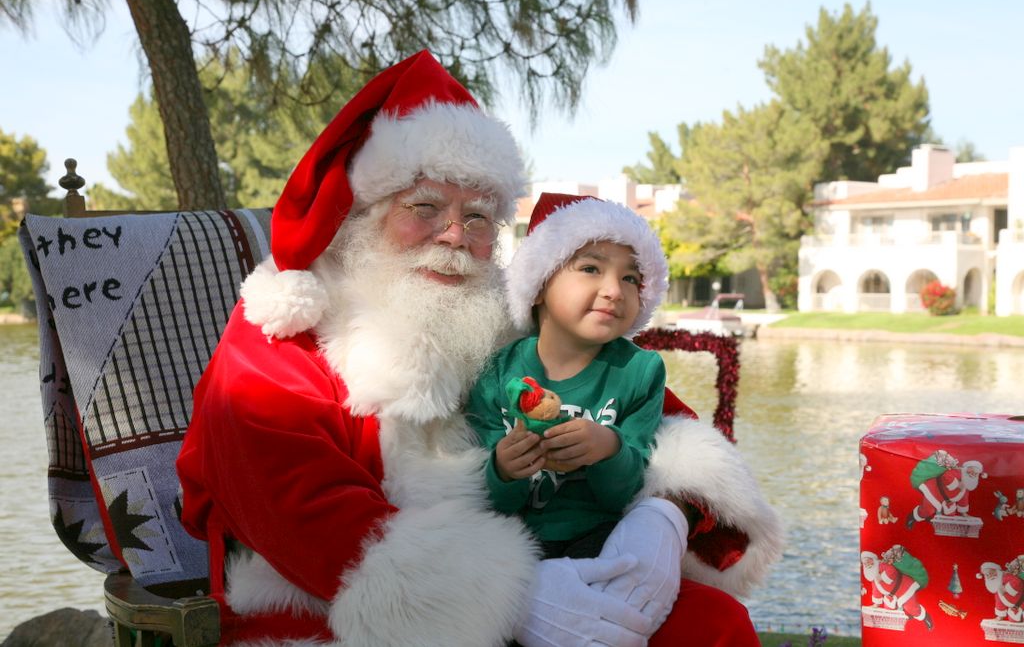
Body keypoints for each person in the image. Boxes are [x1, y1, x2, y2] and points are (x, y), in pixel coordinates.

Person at [177, 50, 782, 646]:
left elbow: (656, 420)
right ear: (365, 212)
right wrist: (517, 600)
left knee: (711, 626)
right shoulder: (285, 329)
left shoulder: (502, 317)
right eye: (424, 207)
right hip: (335, 602)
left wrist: (664, 518)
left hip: (548, 558)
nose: (454, 236)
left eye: (478, 217)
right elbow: (298, 507)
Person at [467, 192, 674, 561]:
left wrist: (609, 448)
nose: (614, 291)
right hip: (509, 541)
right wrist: (503, 468)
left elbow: (629, 492)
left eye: (630, 277)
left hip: (602, 538)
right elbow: (488, 497)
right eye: (591, 269)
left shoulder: (640, 372)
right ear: (538, 284)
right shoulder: (496, 371)